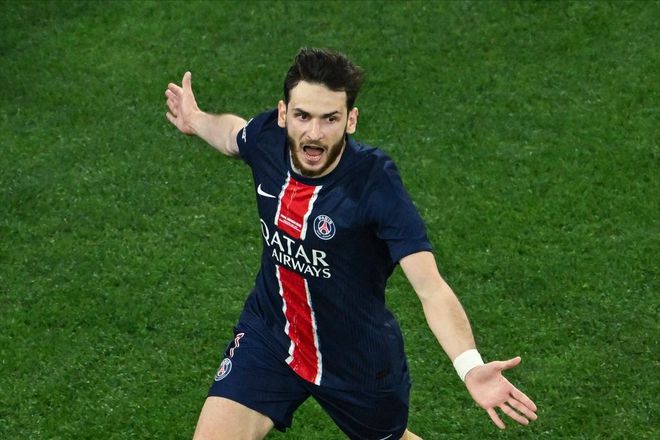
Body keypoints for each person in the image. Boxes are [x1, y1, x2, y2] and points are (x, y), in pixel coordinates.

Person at [165, 48, 537, 440]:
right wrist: (196, 119)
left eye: (330, 119)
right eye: (303, 116)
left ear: (351, 120)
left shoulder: (375, 183)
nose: (314, 133)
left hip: (357, 361)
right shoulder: (267, 138)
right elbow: (232, 135)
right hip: (272, 335)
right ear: (282, 114)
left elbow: (431, 288)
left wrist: (470, 366)